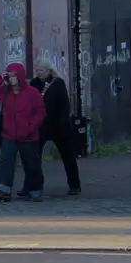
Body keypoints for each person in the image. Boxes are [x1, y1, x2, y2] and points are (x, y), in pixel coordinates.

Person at [0, 62, 46, 202]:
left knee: (32, 164)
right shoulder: (5, 92)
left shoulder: (32, 93)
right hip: (9, 134)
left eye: (13, 76)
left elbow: (40, 112)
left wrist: (30, 127)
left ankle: (35, 190)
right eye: (9, 76)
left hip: (28, 135)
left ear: (19, 76)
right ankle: (3, 190)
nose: (11, 79)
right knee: (6, 161)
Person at [30, 64, 82, 196]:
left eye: (41, 70)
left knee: (68, 156)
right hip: (40, 125)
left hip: (59, 126)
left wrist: (63, 122)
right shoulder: (34, 83)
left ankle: (74, 185)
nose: (38, 73)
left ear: (48, 70)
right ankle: (34, 186)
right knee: (34, 157)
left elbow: (65, 104)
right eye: (37, 70)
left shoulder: (58, 83)